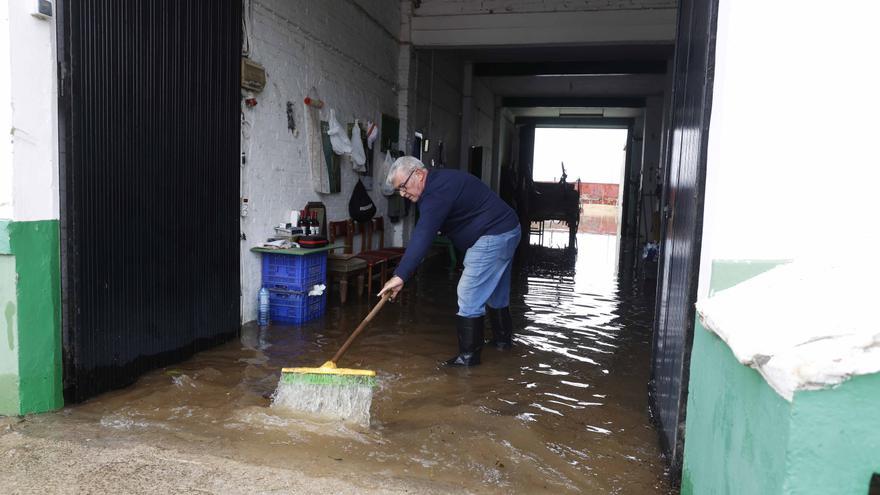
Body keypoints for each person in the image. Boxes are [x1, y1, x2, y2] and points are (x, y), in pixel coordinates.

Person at [378, 156, 521, 366]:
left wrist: (400, 275)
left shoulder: (436, 192)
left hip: (493, 235)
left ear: (418, 174)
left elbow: (423, 235)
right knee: (496, 291)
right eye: (399, 190)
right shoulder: (437, 183)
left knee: (469, 294)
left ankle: (468, 359)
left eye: (403, 186)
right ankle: (502, 343)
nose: (402, 193)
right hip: (508, 229)